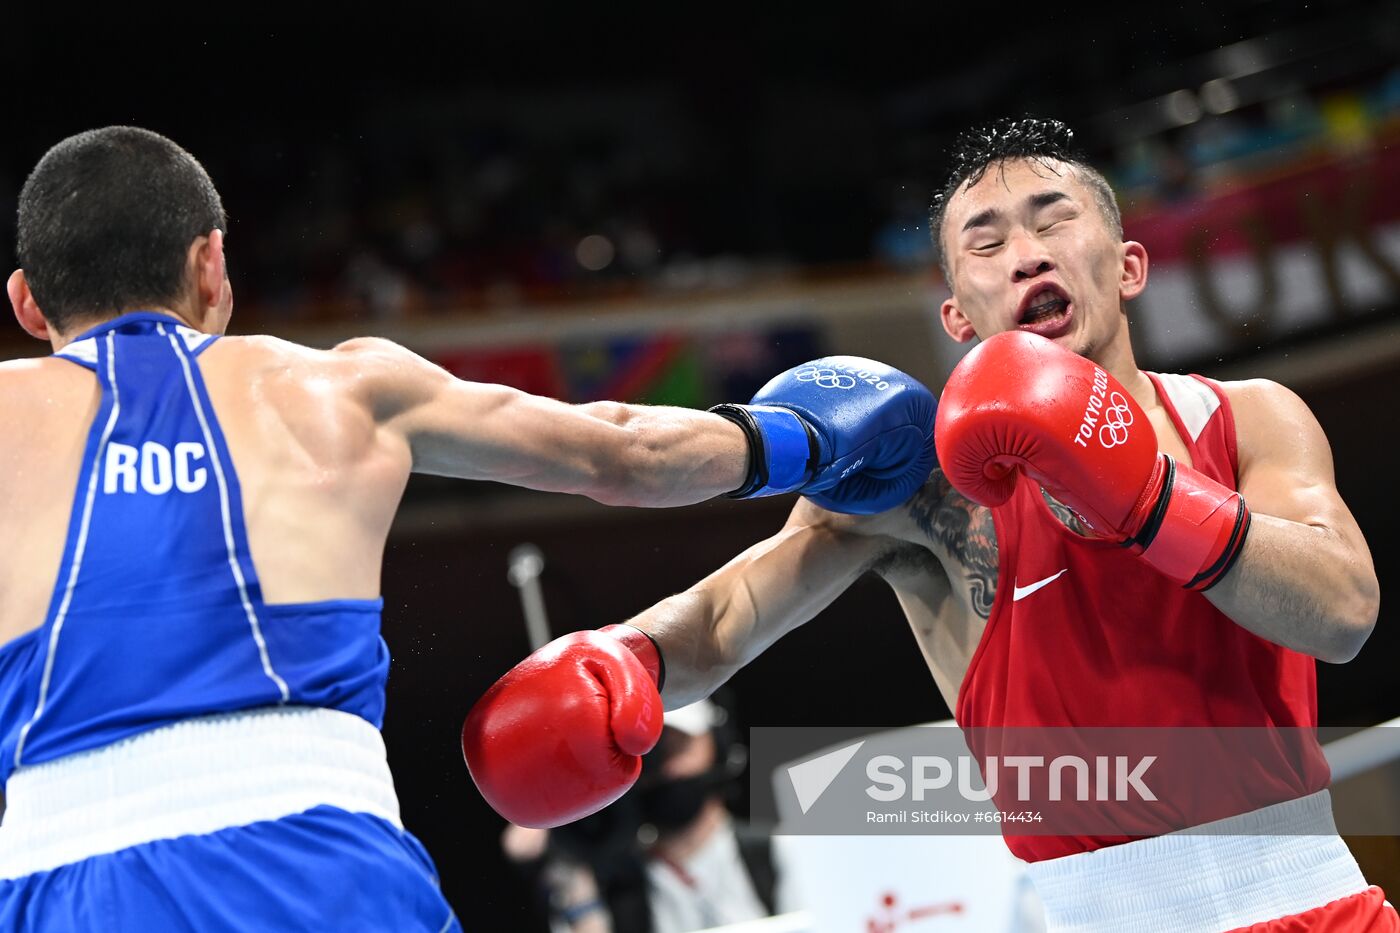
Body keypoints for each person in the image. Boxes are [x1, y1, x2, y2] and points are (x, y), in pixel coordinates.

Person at [466, 117, 1397, 932]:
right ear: (956, 316)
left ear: (1127, 264)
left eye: (1052, 218)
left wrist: (1145, 494)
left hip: (1310, 902)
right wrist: (626, 662)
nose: (1026, 252)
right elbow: (724, 615)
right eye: (986, 243)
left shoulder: (1248, 418)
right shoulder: (927, 490)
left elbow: (1344, 608)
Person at [0, 126, 938, 931]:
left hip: (53, 879)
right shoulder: (342, 387)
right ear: (213, 265)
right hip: (315, 856)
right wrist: (806, 441)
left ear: (28, 303)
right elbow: (628, 453)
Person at [501, 698, 792, 933]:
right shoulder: (616, 885)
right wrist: (569, 859)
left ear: (717, 746)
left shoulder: (778, 851)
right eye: (647, 754)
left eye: (674, 747)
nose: (664, 768)